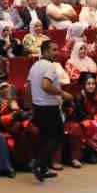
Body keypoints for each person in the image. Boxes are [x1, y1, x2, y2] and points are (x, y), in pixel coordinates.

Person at [26, 39, 71, 183]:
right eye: (54, 50)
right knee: (57, 137)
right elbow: (46, 85)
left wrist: (31, 104)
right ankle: (37, 163)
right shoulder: (50, 66)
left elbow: (28, 88)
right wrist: (63, 94)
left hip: (38, 107)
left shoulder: (34, 66)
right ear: (45, 51)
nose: (57, 53)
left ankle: (43, 168)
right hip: (49, 108)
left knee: (46, 138)